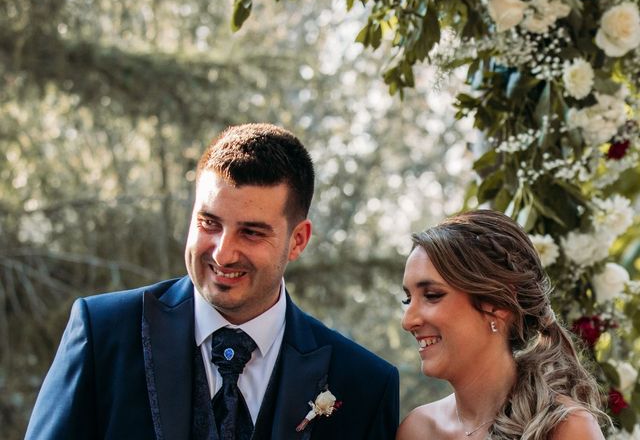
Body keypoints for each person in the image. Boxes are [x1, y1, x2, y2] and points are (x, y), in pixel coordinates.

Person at [26, 123, 399, 440]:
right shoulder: (103, 333)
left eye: (251, 233)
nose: (223, 254)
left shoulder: (363, 384)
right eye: (209, 223)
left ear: (298, 240)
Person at [397, 210, 608, 440]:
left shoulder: (567, 429)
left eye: (432, 295)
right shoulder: (417, 430)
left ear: (499, 303)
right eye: (408, 299)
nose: (408, 321)